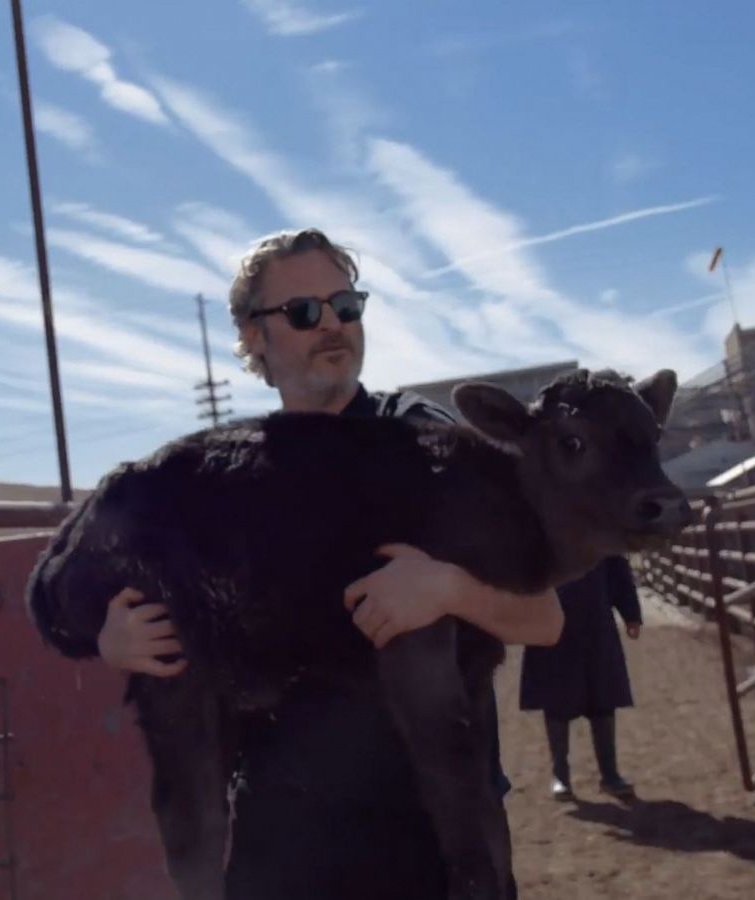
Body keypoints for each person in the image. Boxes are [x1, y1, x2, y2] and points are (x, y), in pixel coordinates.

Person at [94, 228, 564, 886]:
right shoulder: (227, 474)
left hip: (434, 841)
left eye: (346, 305)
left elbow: (545, 617)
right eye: (304, 313)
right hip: (283, 844)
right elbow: (145, 608)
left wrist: (450, 589)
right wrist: (117, 637)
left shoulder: (427, 442)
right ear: (255, 337)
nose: (333, 326)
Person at [518, 555, 642, 801]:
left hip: (596, 621)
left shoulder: (601, 525)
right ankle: (560, 776)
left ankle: (610, 775)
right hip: (552, 620)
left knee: (603, 698)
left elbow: (616, 566)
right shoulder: (543, 522)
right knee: (557, 700)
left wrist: (631, 613)